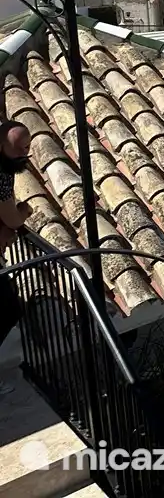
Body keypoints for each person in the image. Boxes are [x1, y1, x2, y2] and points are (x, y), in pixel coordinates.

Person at [0, 122, 32, 394]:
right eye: (20, 148)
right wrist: (24, 211)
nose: (25, 153)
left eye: (27, 148)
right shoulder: (1, 174)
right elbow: (11, 217)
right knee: (8, 309)